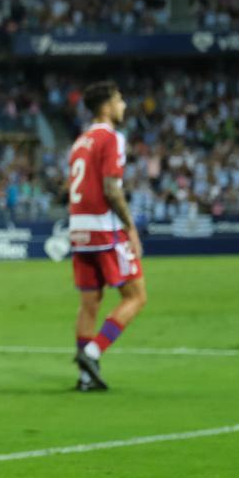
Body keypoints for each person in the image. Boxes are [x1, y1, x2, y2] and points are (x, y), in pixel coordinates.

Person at [67, 81, 148, 391]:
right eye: (119, 100)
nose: (123, 106)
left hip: (79, 228)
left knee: (90, 301)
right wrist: (131, 228)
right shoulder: (111, 138)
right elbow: (111, 188)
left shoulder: (80, 141)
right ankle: (92, 351)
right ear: (106, 107)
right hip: (104, 228)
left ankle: (86, 377)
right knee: (137, 296)